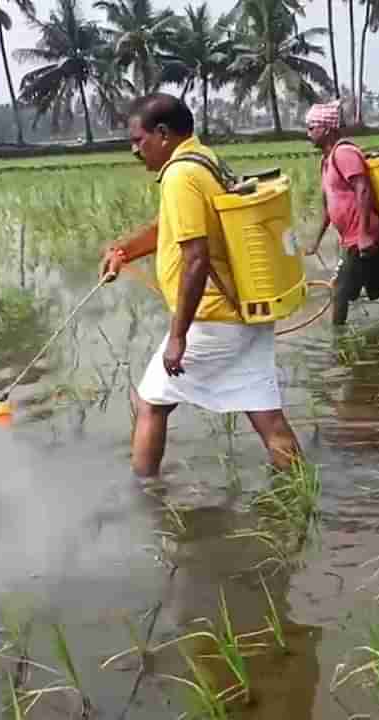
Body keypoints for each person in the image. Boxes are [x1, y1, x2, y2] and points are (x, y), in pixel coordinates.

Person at [99, 93, 303, 479]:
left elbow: (197, 258)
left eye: (137, 140)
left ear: (162, 134)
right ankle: (303, 491)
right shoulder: (201, 159)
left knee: (151, 405)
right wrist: (124, 251)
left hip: (212, 319)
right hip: (241, 311)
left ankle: (145, 500)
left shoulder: (180, 175)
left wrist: (179, 337)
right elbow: (168, 228)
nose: (134, 151)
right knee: (266, 415)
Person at [303, 101, 379, 327]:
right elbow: (328, 204)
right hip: (357, 236)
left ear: (326, 129)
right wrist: (316, 241)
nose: (308, 133)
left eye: (312, 127)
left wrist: (363, 234)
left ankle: (338, 345)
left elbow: (364, 189)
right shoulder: (326, 161)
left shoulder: (345, 153)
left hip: (362, 236)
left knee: (339, 291)